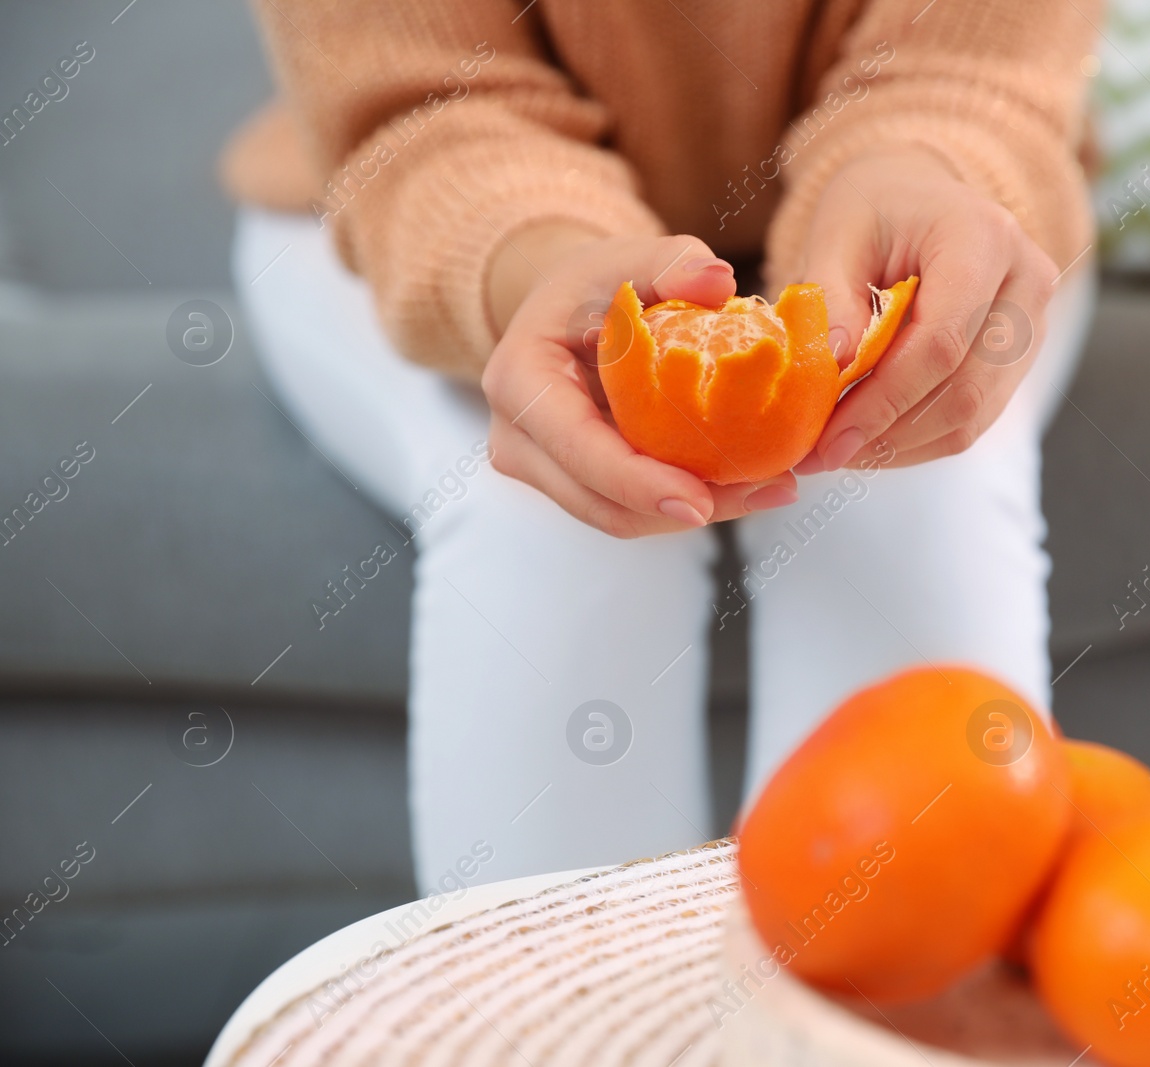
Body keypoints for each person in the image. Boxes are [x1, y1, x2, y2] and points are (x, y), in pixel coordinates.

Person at [222, 0, 1100, 890]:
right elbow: (428, 105)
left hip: (932, 188)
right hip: (430, 197)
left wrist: (926, 164)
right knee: (547, 515)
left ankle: (878, 1008)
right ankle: (566, 1020)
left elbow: (966, 66)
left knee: (908, 487)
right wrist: (535, 261)